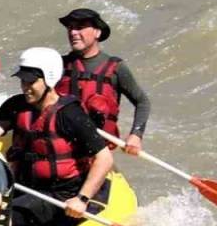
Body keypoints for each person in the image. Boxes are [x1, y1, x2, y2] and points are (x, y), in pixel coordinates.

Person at [0, 47, 115, 226]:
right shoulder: (15, 106)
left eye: (31, 82)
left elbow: (104, 158)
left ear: (49, 80)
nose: (25, 87)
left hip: (61, 194)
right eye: (23, 81)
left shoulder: (70, 114)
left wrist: (82, 199)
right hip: (25, 187)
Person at [56, 8, 151, 155]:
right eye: (70, 27)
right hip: (62, 149)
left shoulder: (116, 68)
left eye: (80, 27)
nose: (73, 32)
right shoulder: (57, 65)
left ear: (97, 32)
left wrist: (136, 135)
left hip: (97, 152)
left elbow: (142, 102)